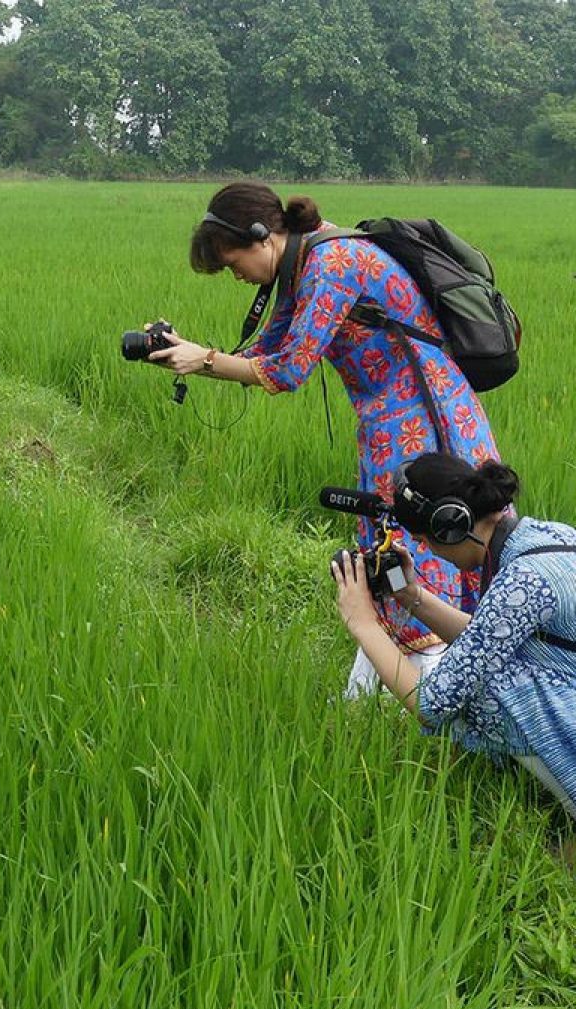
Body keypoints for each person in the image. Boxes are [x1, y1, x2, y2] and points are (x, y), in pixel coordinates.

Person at [149, 182, 501, 690]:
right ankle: (388, 682)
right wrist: (188, 353)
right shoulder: (303, 265)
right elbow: (264, 353)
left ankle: (435, 692)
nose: (237, 276)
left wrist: (203, 360)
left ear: (262, 235)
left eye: (233, 264)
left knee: (419, 541)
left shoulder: (332, 264)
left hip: (423, 417)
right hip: (390, 419)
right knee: (386, 544)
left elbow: (289, 370)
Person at [329, 452, 576, 874]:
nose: (428, 551)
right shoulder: (540, 536)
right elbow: (489, 635)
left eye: (427, 540)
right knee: (490, 666)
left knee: (488, 691)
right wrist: (410, 595)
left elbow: (433, 702)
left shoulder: (524, 581)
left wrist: (363, 622)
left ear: (451, 524)